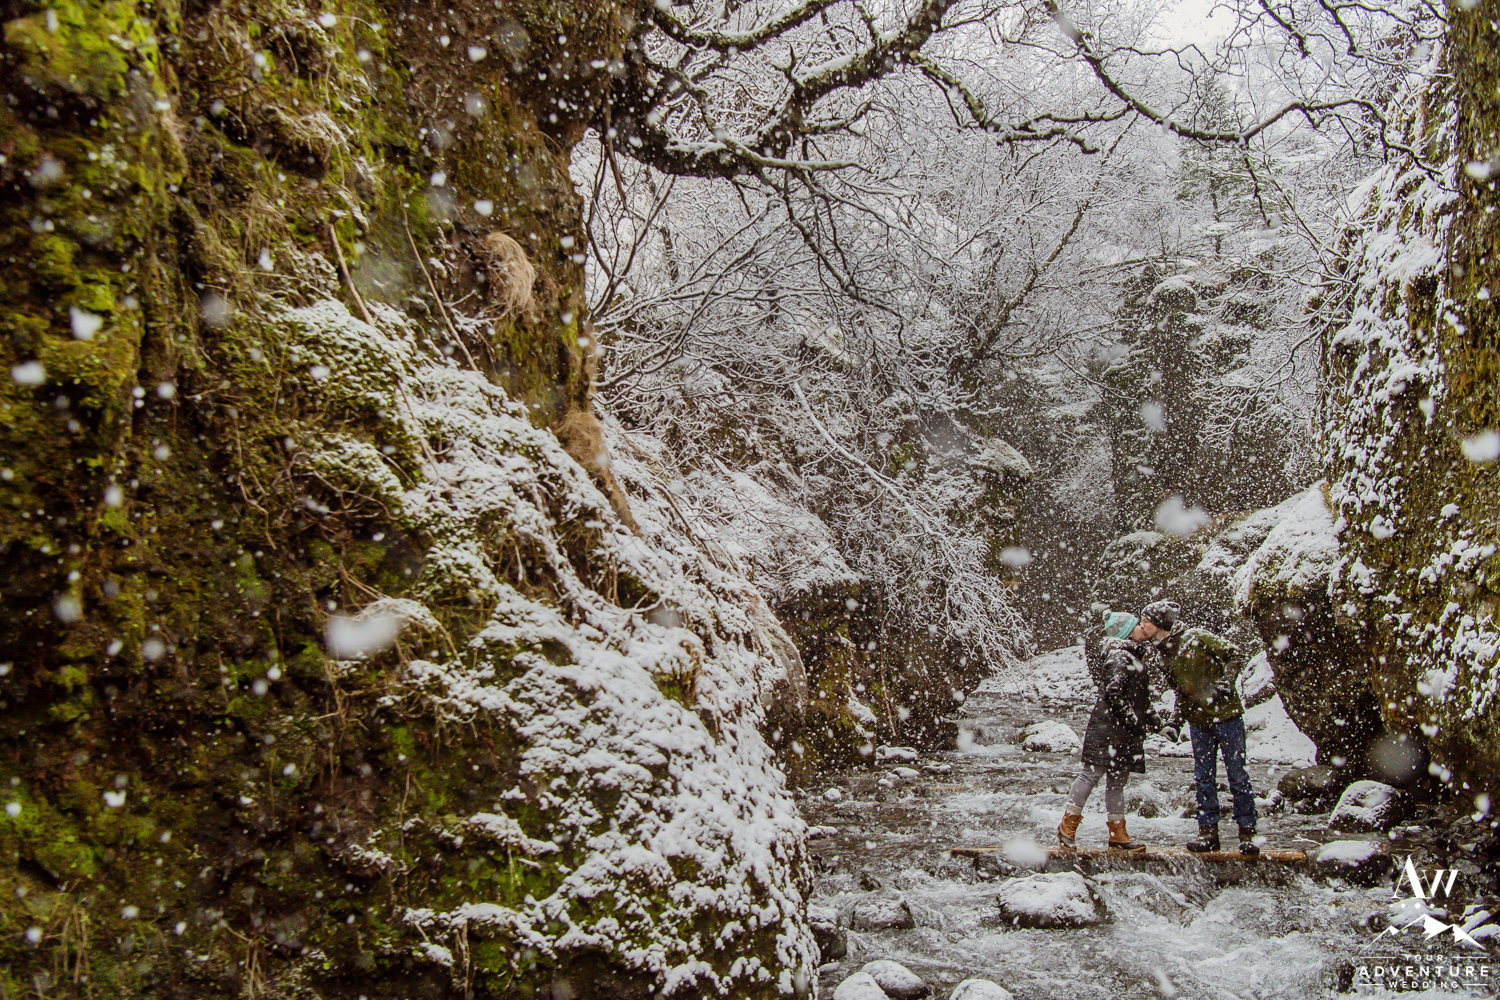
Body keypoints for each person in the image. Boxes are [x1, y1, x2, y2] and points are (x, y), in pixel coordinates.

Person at [1144, 599, 1260, 856]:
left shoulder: (1197, 637)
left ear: (1159, 623)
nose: (1142, 626)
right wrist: (1175, 722)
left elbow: (1235, 653)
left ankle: (1247, 833)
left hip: (1227, 717)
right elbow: (1181, 692)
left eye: (1145, 621)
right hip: (1198, 723)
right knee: (1203, 778)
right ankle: (1208, 833)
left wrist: (1226, 682)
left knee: (1238, 776)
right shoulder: (1162, 654)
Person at [1057, 609, 1158, 852]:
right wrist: (1131, 718)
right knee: (1091, 776)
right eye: (1137, 625)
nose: (1141, 628)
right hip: (1108, 729)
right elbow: (1114, 692)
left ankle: (1118, 833)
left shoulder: (1131, 655)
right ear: (1127, 632)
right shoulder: (1120, 656)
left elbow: (1140, 698)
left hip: (1121, 730)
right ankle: (1067, 826)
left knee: (1117, 781)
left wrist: (1155, 721)